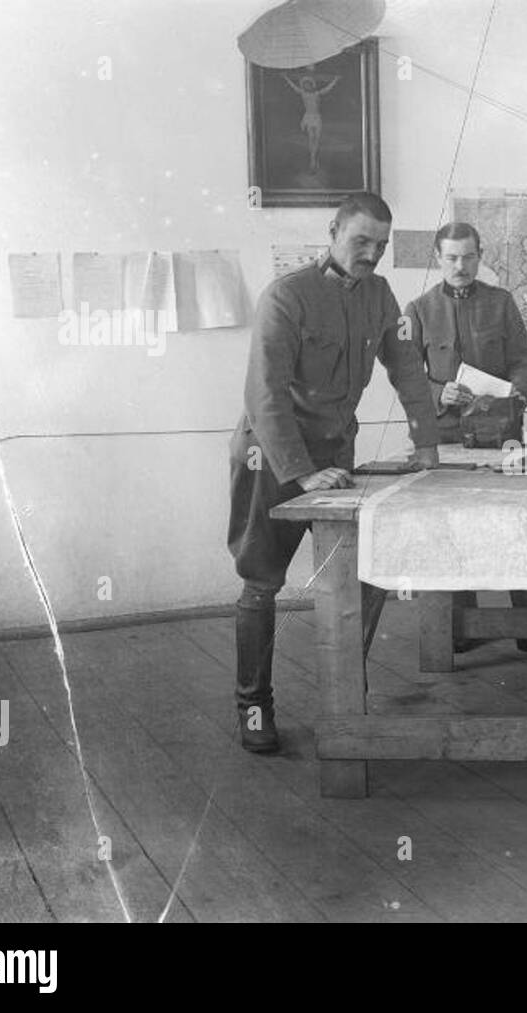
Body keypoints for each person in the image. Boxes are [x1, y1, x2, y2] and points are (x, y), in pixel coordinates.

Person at [227, 191, 439, 753]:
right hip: (272, 455)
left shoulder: (381, 296)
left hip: (336, 456)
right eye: (360, 241)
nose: (371, 254)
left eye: (381, 246)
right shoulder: (286, 296)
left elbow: (409, 371)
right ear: (333, 231)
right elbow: (264, 395)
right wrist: (300, 474)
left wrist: (426, 446)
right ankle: (254, 707)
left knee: (356, 574)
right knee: (262, 582)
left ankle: (344, 698)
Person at [404, 221, 527, 660]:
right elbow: (406, 378)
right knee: (450, 530)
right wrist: (439, 392)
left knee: (520, 525)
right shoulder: (418, 310)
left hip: (501, 436)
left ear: (480, 256)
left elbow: (523, 360)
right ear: (437, 258)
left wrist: (518, 392)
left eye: (469, 256)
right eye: (452, 257)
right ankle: (457, 629)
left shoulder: (502, 303)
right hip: (446, 439)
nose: (460, 265)